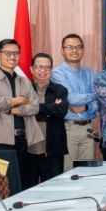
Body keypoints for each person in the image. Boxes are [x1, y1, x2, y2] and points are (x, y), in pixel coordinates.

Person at [0, 39, 44, 187]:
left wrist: (12, 109)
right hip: (0, 141)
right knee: (2, 185)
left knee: (25, 183)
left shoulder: (25, 81)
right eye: (7, 53)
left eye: (16, 53)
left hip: (25, 140)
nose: (12, 57)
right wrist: (19, 100)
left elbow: (35, 107)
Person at [52, 34, 97, 168]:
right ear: (62, 50)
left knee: (87, 172)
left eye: (78, 47)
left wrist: (86, 107)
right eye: (70, 47)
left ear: (83, 49)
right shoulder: (57, 73)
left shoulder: (90, 73)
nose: (74, 51)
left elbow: (100, 102)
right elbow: (71, 98)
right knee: (68, 171)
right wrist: (94, 95)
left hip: (88, 128)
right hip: (68, 129)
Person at [27, 53, 69, 186]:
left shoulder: (60, 90)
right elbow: (20, 111)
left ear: (52, 69)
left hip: (53, 146)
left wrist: (33, 108)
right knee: (28, 188)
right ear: (32, 69)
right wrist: (51, 107)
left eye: (47, 67)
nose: (43, 71)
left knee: (54, 187)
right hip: (28, 147)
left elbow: (61, 111)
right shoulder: (24, 89)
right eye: (39, 67)